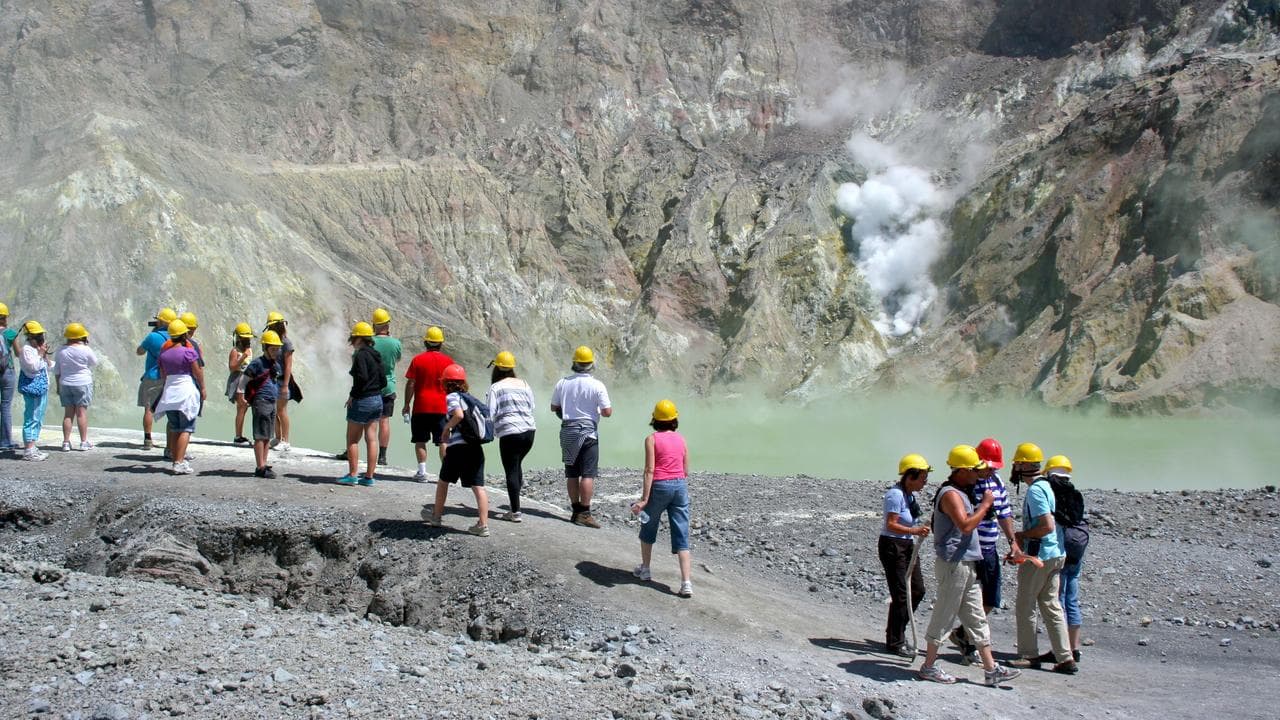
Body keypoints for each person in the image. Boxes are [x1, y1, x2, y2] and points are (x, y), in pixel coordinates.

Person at [917, 445, 1021, 687]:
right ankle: (928, 666)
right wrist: (985, 505)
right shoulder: (950, 494)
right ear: (962, 470)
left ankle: (991, 668)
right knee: (944, 614)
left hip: (967, 562)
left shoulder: (962, 492)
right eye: (975, 470)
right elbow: (965, 526)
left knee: (976, 616)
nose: (979, 474)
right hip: (955, 563)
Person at [948, 437, 1021, 664]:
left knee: (990, 598)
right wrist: (984, 506)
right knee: (971, 598)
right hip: (971, 549)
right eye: (987, 467)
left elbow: (1004, 513)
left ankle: (963, 635)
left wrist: (1012, 542)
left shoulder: (997, 482)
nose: (990, 471)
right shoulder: (967, 485)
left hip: (989, 548)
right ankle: (970, 644)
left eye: (993, 468)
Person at [1011, 446, 1077, 674]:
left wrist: (1022, 535)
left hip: (1039, 557)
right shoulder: (1047, 486)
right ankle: (1065, 656)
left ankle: (1028, 654)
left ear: (1025, 465)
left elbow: (1046, 526)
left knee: (1026, 605)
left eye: (1017, 463)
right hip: (1056, 554)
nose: (1014, 468)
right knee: (1051, 605)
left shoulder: (1035, 491)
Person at [631, 399, 693, 597]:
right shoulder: (682, 439)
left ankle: (646, 569)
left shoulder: (651, 439)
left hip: (659, 486)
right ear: (674, 419)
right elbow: (686, 469)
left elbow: (649, 470)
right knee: (681, 533)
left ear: (655, 419)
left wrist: (644, 499)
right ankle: (686, 582)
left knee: (648, 525)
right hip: (680, 486)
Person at [421, 363, 489, 536]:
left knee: (443, 481)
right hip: (475, 447)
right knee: (478, 486)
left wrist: (446, 428)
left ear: (446, 383)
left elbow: (458, 415)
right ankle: (483, 525)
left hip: (458, 448)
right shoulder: (469, 398)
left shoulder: (453, 397)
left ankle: (436, 517)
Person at [549, 345, 612, 528]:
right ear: (591, 364)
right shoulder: (597, 385)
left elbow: (553, 407)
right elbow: (607, 412)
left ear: (574, 363)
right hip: (588, 432)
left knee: (572, 473)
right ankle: (585, 513)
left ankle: (575, 511)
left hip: (568, 430)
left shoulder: (563, 383)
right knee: (588, 474)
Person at [880, 453, 932, 657]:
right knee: (901, 594)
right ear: (911, 476)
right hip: (893, 546)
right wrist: (914, 531)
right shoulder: (895, 495)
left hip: (907, 545)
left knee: (917, 590)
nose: (925, 482)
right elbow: (891, 524)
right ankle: (895, 641)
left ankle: (897, 632)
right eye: (922, 478)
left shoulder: (909, 495)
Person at [340, 309, 401, 466]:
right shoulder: (396, 343)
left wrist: (352, 394)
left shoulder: (367, 343)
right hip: (388, 386)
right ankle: (382, 456)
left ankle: (350, 451)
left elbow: (357, 370)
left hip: (367, 389)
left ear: (374, 324)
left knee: (359, 422)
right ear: (387, 324)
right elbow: (397, 360)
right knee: (384, 421)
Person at [485, 351, 536, 522]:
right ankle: (515, 505)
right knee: (517, 465)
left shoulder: (496, 387)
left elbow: (490, 412)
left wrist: (487, 432)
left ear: (496, 368)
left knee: (511, 470)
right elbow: (532, 406)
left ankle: (515, 512)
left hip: (510, 433)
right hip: (529, 432)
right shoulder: (524, 384)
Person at [1047, 456, 1086, 665]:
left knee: (1058, 599)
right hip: (1076, 552)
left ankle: (1061, 650)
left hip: (1061, 550)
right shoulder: (1075, 493)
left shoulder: (1053, 494)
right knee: (1072, 600)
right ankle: (1074, 647)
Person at [153, 320, 206, 475]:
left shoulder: (164, 354)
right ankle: (179, 462)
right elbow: (197, 371)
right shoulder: (188, 352)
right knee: (186, 429)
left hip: (169, 393)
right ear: (184, 335)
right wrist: (203, 388)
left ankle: (176, 459)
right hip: (186, 391)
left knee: (175, 428)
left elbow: (163, 375)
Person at [402, 326, 453, 482]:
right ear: (441, 343)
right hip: (442, 407)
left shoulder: (418, 360)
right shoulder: (448, 362)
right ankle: (446, 474)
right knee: (443, 441)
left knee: (420, 440)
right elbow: (453, 385)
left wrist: (406, 404)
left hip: (421, 407)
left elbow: (411, 383)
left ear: (426, 342)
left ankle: (422, 472)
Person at [338, 322, 385, 487]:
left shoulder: (360, 355)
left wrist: (353, 395)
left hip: (363, 400)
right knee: (372, 439)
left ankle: (352, 475)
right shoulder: (376, 354)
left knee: (352, 439)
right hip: (377, 399)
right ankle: (369, 477)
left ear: (358, 338)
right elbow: (383, 380)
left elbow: (361, 378)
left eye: (353, 338)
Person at [239, 330, 284, 478]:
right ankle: (260, 467)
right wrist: (241, 396)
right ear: (265, 348)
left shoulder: (275, 365)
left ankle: (264, 463)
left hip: (271, 402)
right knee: (260, 435)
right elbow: (244, 379)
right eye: (273, 349)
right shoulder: (257, 363)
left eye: (277, 349)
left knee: (267, 436)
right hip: (261, 401)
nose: (276, 352)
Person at [136, 308, 176, 450]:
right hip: (170, 378)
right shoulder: (176, 337)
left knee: (149, 409)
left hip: (153, 377)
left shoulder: (153, 337)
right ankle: (171, 444)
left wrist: (153, 335)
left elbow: (139, 351)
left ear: (160, 322)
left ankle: (148, 439)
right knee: (171, 411)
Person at [54, 323, 98, 451]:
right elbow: (94, 362)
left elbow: (57, 371)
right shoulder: (85, 349)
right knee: (81, 413)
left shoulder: (61, 350)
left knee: (68, 414)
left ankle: (66, 443)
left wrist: (58, 386)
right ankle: (83, 442)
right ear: (81, 336)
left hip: (65, 383)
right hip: (82, 383)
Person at [16, 321, 51, 461]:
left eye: (41, 335)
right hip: (33, 389)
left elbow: (48, 367)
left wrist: (45, 355)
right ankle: (29, 450)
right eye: (38, 335)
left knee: (38, 418)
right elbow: (33, 367)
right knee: (32, 418)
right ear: (30, 336)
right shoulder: (27, 350)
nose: (41, 337)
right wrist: (40, 354)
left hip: (41, 389)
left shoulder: (35, 350)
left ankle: (32, 446)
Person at [263, 311, 294, 452]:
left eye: (273, 326)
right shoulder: (271, 340)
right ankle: (278, 437)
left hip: (282, 381)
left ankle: (286, 440)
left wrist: (286, 385)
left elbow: (288, 366)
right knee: (274, 410)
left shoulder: (286, 343)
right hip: (272, 379)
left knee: (281, 410)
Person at [226, 323, 254, 445]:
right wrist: (242, 357)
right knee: (242, 406)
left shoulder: (249, 350)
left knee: (243, 408)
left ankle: (239, 435)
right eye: (244, 338)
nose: (247, 341)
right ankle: (238, 436)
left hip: (247, 381)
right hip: (238, 380)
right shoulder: (235, 351)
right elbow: (232, 367)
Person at [0, 304, 18, 452]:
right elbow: (18, 353)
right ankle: (5, 441)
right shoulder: (10, 333)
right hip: (7, 371)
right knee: (5, 406)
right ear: (4, 318)